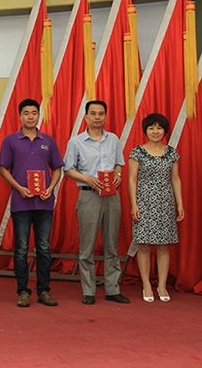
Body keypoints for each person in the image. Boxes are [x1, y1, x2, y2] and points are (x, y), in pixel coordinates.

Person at [0, 98, 64, 308]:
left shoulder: (48, 141)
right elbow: (3, 169)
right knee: (21, 248)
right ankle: (23, 291)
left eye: (34, 113)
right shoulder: (10, 141)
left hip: (44, 203)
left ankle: (44, 290)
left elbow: (57, 168)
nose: (30, 116)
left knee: (44, 247)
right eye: (26, 113)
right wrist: (19, 188)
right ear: (20, 116)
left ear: (38, 115)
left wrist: (51, 187)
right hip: (21, 202)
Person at [64, 100, 130, 305]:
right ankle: (88, 290)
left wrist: (118, 175)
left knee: (112, 245)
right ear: (86, 117)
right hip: (89, 195)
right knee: (87, 246)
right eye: (93, 113)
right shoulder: (76, 142)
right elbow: (68, 169)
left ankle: (112, 289)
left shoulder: (114, 139)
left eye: (101, 113)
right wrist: (87, 178)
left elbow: (119, 163)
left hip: (111, 196)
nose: (97, 117)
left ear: (105, 116)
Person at [128, 113, 184, 303]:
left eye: (159, 128)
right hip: (143, 202)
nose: (155, 131)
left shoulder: (171, 153)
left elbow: (175, 179)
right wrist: (134, 204)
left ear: (164, 131)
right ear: (145, 130)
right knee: (143, 245)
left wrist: (179, 203)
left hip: (165, 204)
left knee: (163, 246)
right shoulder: (137, 152)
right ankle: (146, 284)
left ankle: (161, 285)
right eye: (151, 128)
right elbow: (132, 179)